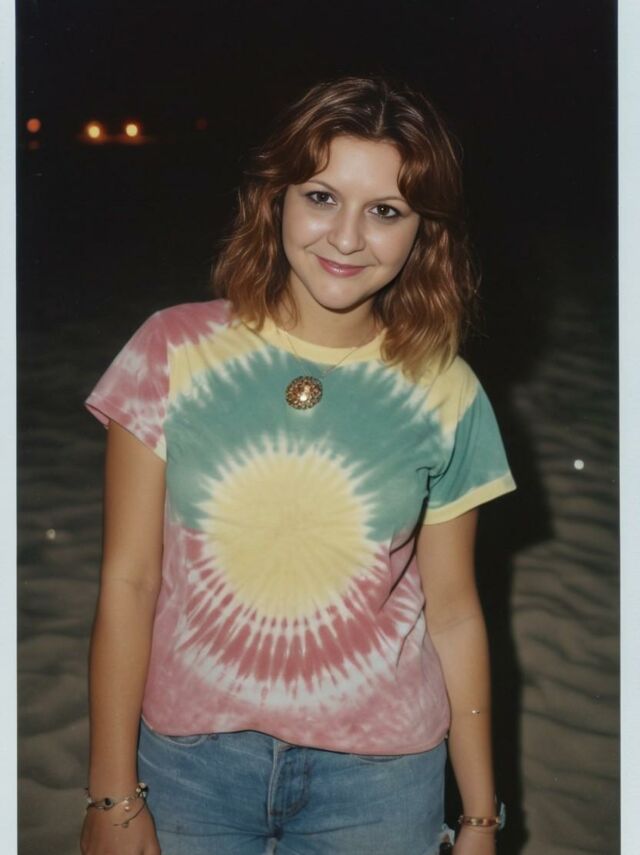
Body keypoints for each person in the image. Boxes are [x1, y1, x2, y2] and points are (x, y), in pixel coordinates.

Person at [80, 76, 516, 855]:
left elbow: (454, 611)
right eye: (321, 197)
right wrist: (111, 794)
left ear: (425, 231)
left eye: (386, 211)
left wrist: (480, 816)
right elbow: (129, 579)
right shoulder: (171, 349)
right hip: (187, 767)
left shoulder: (447, 390)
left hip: (381, 781)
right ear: (275, 198)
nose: (346, 237)